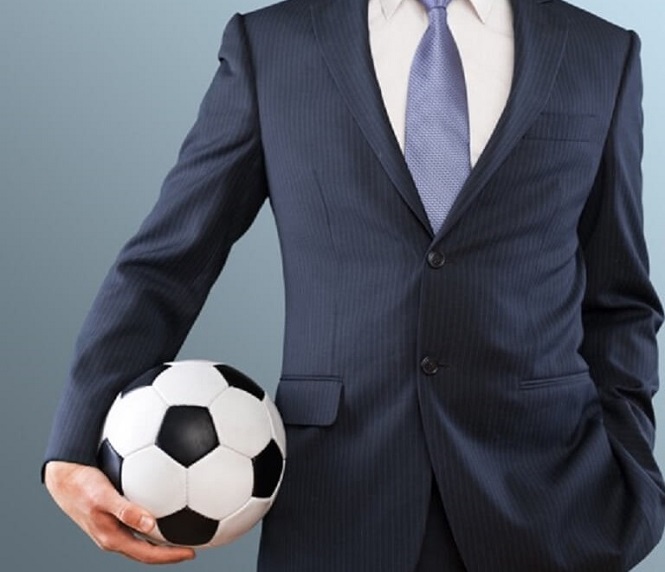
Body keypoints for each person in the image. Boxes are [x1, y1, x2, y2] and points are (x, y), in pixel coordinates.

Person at [44, 0, 664, 570]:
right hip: (337, 501)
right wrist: (74, 447)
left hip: (551, 501)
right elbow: (170, 260)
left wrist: (633, 466)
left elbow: (620, 298)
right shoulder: (274, 45)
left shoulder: (600, 51)